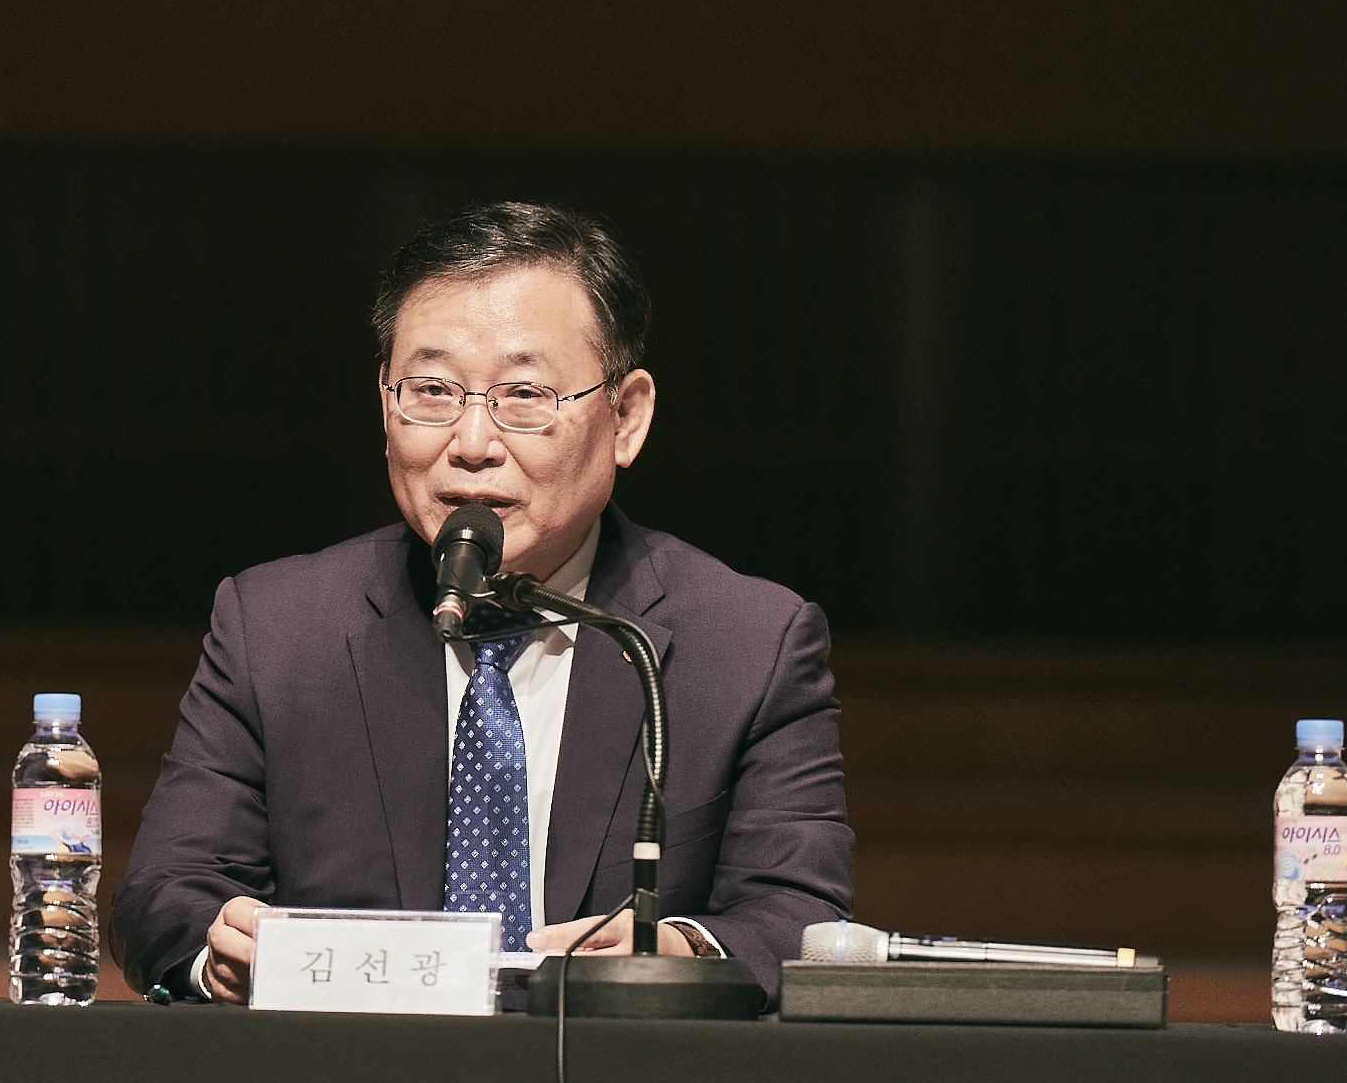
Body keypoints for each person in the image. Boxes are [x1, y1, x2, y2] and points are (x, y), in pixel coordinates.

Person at [112, 201, 854, 1005]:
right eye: (431, 390)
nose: (469, 441)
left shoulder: (746, 641)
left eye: (524, 393)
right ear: (384, 404)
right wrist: (217, 943)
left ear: (625, 417)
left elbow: (799, 916)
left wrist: (674, 946)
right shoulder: (278, 625)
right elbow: (164, 894)